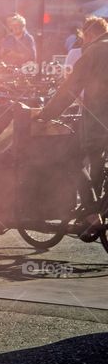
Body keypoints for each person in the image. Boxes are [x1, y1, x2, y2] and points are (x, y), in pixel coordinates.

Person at [38, 16, 108, 242]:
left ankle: (90, 213)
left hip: (100, 122)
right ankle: (98, 209)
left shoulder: (94, 52)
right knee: (97, 163)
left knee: (73, 158)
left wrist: (46, 115)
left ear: (87, 34)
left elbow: (70, 89)